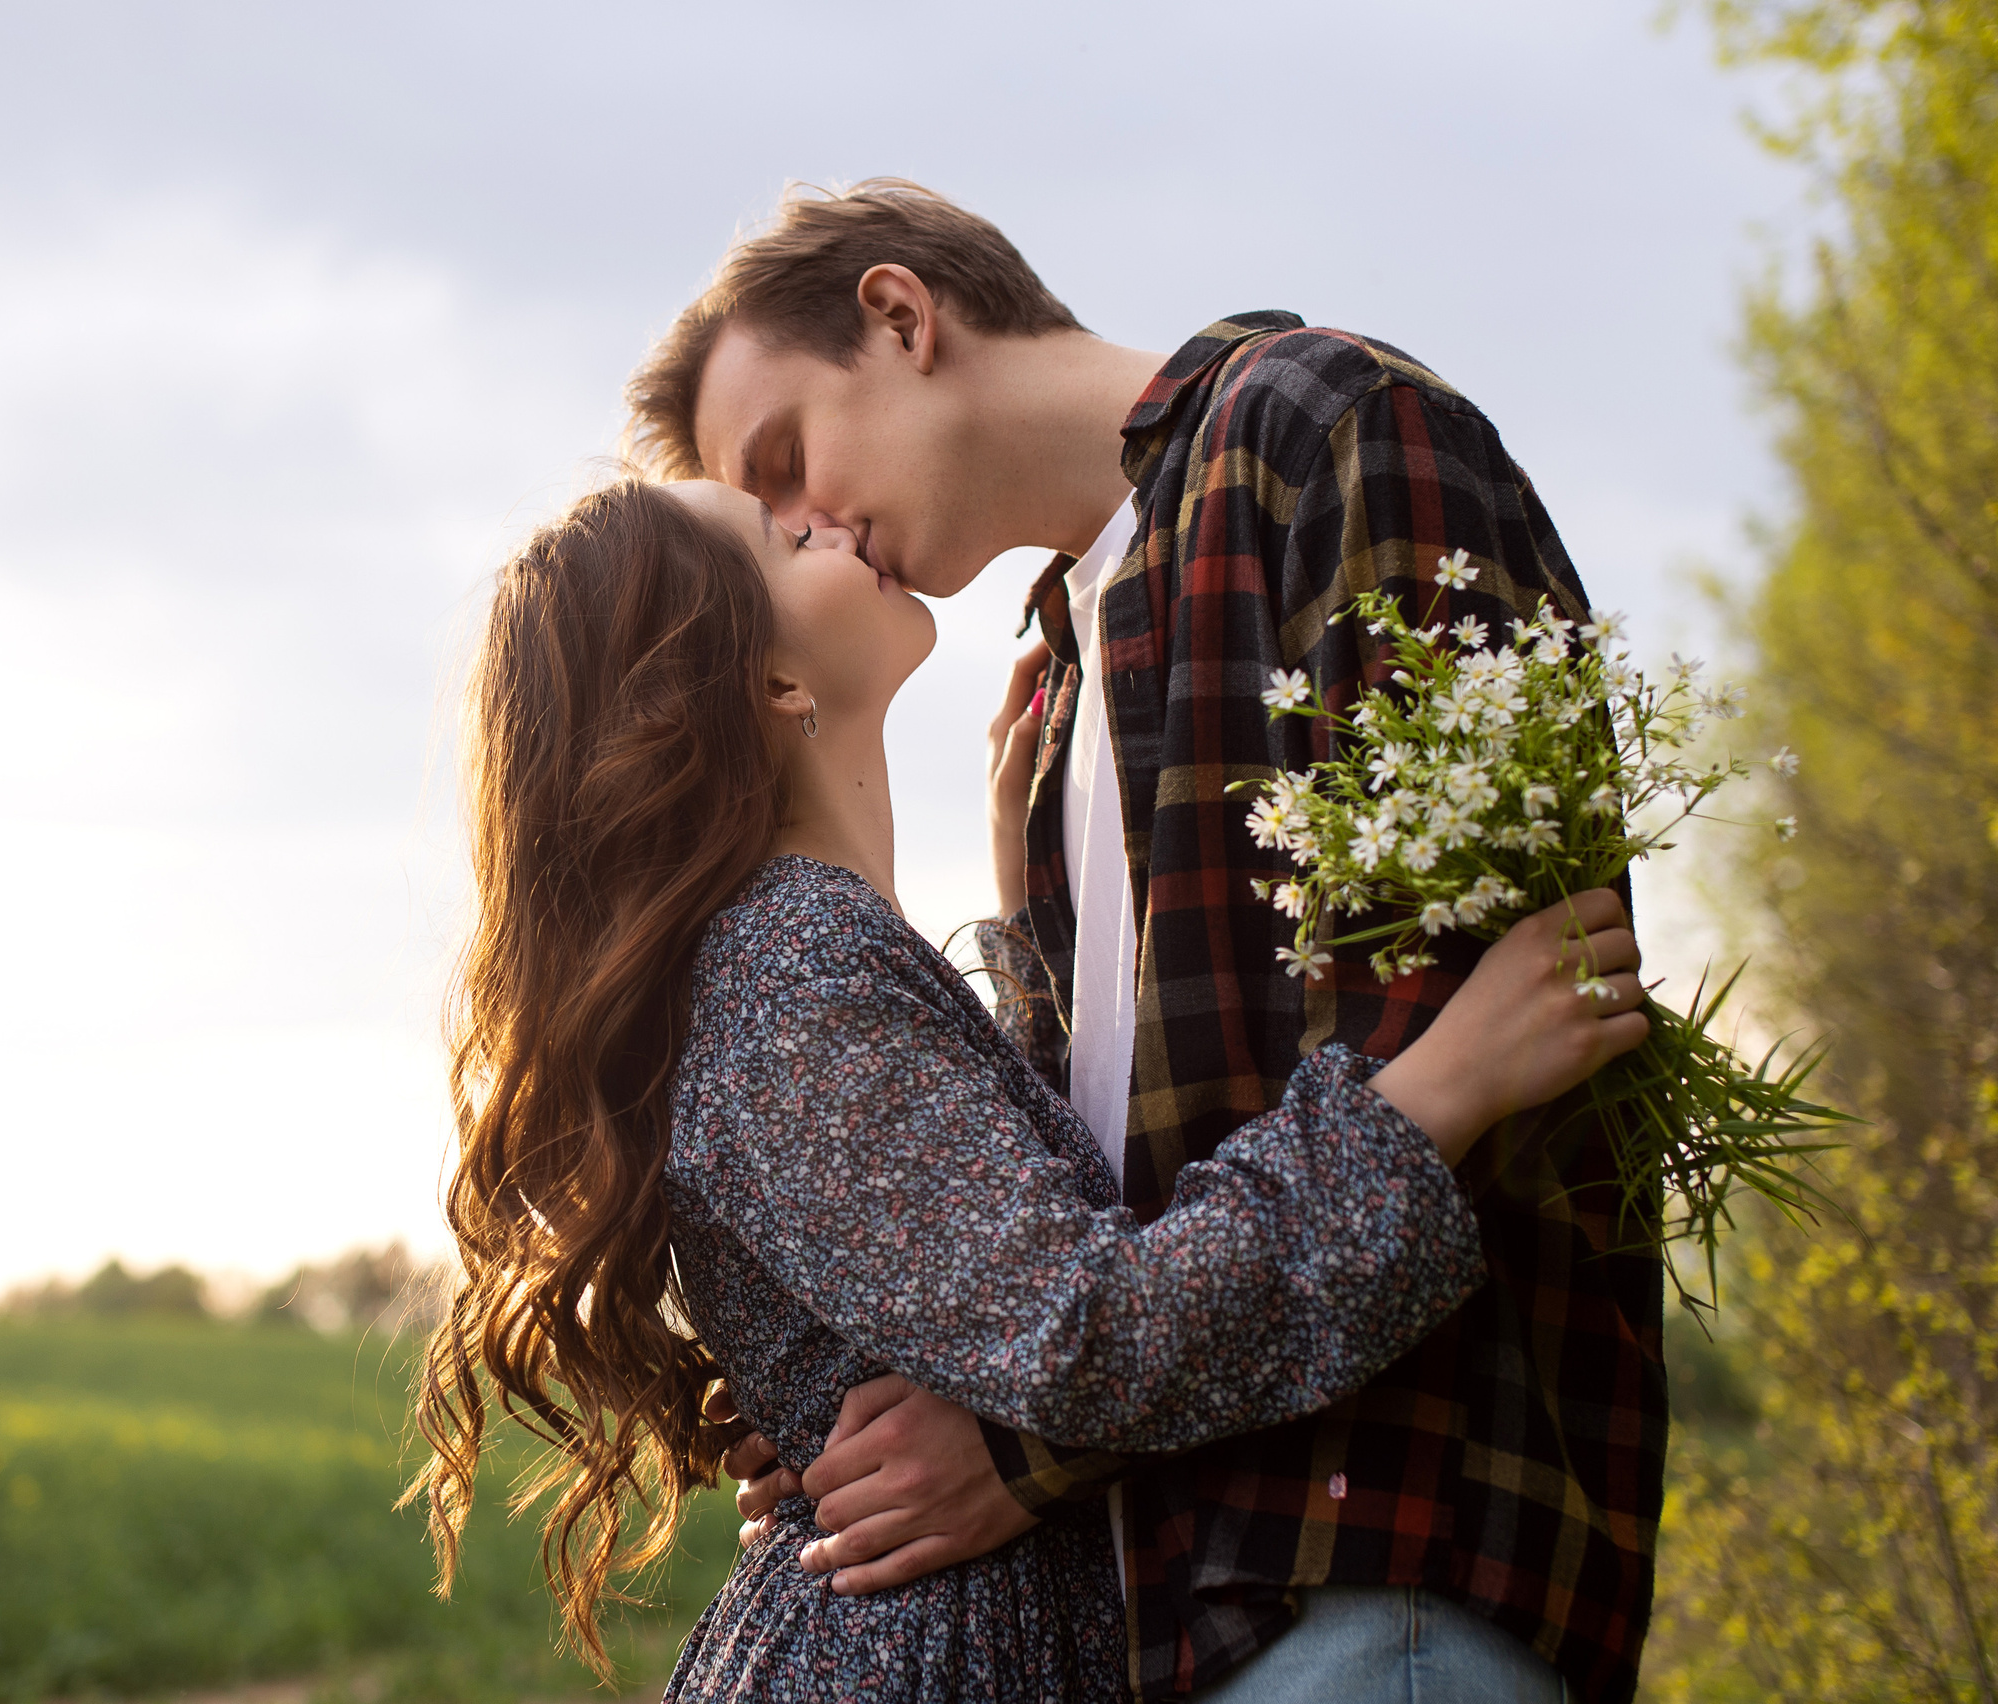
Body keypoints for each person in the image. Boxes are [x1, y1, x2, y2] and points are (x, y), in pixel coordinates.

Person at [622, 181, 1658, 1704]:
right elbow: (1074, 1212)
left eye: (788, 465)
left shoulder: (1320, 433)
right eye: (773, 526)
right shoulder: (1041, 706)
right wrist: (872, 1394)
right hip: (1165, 1599)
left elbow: (1474, 1044)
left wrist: (1022, 1441)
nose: (811, 531)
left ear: (902, 318)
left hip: (1375, 1567)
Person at [406, 474, 1649, 1702]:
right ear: (773, 681)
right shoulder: (789, 961)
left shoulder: (793, 953)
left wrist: (1028, 922)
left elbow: (987, 1229)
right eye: (787, 537)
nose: (831, 516)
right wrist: (1441, 1089)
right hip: (923, 1655)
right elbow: (1089, 1330)